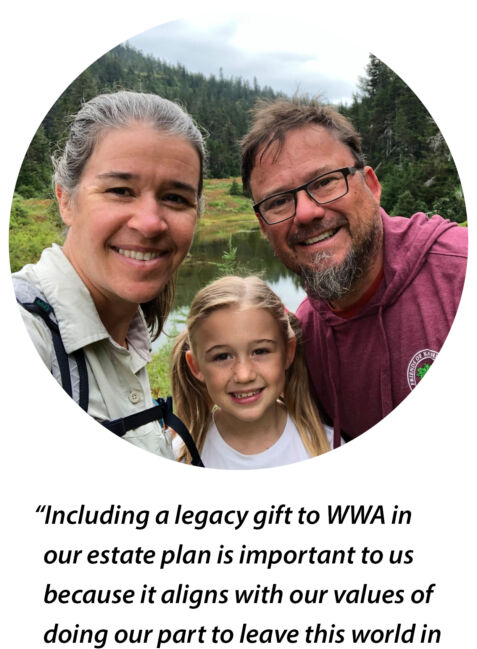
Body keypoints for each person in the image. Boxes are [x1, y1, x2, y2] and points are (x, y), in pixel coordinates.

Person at [241, 100, 468, 446]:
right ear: (262, 226)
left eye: (325, 182)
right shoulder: (305, 340)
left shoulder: (461, 272)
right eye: (278, 202)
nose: (305, 213)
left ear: (371, 186)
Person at [13, 90, 206, 458]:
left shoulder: (126, 332)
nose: (150, 223)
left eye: (176, 198)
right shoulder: (27, 330)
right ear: (65, 199)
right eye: (120, 190)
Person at [170, 275, 331, 468]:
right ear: (196, 366)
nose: (244, 375)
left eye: (260, 351)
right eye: (222, 356)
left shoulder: (325, 446)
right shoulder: (179, 456)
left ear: (288, 352)